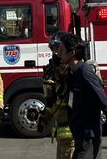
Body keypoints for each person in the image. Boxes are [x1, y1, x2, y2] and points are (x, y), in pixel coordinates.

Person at [38, 31, 74, 159]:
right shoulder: (53, 68)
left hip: (73, 132)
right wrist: (45, 117)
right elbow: (52, 101)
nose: (55, 52)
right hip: (61, 133)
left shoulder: (73, 69)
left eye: (57, 47)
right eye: (52, 48)